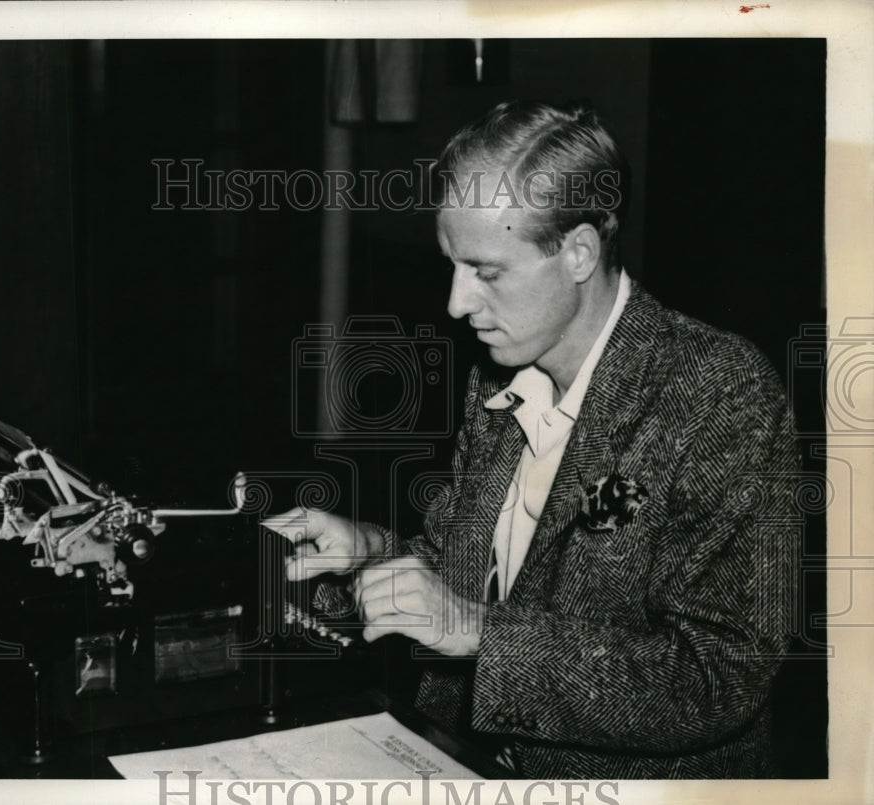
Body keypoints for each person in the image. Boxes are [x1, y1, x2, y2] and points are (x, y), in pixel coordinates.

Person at [263, 101, 799, 779]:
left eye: (487, 272)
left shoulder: (720, 392)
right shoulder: (502, 367)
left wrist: (479, 634)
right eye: (453, 266)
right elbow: (459, 571)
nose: (458, 303)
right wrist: (366, 554)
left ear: (578, 251)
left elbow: (717, 678)